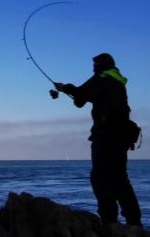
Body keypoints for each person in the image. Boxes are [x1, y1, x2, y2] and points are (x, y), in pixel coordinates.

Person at [54, 53, 142, 227]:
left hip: (106, 136)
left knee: (100, 177)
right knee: (120, 178)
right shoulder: (116, 80)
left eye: (95, 65)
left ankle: (109, 220)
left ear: (101, 65)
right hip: (121, 137)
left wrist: (64, 87)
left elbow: (80, 97)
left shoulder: (102, 78)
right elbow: (86, 97)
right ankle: (134, 222)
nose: (93, 69)